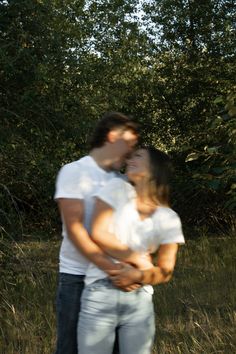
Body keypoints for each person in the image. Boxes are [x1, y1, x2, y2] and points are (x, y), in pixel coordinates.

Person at [78, 146, 185, 354]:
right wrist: (139, 259)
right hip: (100, 291)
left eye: (138, 156)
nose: (130, 160)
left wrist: (137, 274)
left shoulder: (169, 217)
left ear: (155, 168)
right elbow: (98, 233)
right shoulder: (116, 188)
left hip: (140, 299)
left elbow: (166, 271)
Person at [54, 112, 139, 354]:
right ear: (112, 136)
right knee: (71, 348)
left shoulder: (122, 180)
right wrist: (115, 270)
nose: (131, 153)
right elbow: (75, 230)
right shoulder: (74, 171)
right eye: (129, 144)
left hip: (116, 281)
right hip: (77, 279)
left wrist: (135, 269)